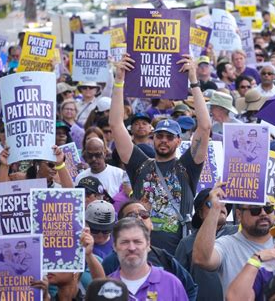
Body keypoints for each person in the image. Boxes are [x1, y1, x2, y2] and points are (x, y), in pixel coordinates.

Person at [110, 53, 211, 254]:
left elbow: (205, 126)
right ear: (152, 138)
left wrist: (193, 80)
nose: (163, 140)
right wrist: (119, 80)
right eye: (159, 136)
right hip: (143, 250)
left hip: (178, 253)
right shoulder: (140, 165)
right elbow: (115, 124)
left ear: (178, 141)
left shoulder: (187, 166)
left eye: (169, 136)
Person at [101, 200, 198, 300]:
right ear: (115, 246)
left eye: (144, 214)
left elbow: (190, 288)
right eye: (132, 215)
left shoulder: (169, 276)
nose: (132, 247)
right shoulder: (109, 270)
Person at [192, 184, 275, 294]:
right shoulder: (227, 245)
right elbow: (201, 259)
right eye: (255, 210)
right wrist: (215, 207)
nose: (263, 213)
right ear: (239, 215)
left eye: (268, 208)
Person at [175, 188, 237, 301]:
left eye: (223, 203)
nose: (219, 205)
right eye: (211, 203)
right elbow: (178, 283)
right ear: (200, 213)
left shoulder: (239, 234)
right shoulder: (186, 243)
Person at [108, 218, 189, 300]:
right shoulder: (105, 288)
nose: (131, 248)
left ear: (148, 244)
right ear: (114, 246)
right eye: (125, 242)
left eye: (137, 241)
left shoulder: (171, 284)